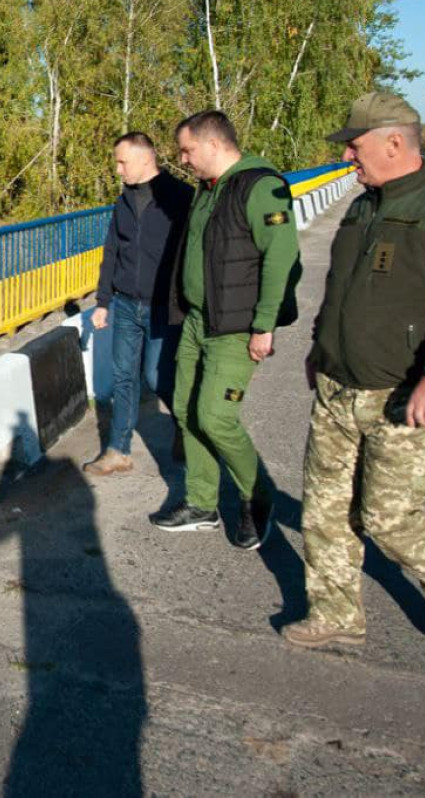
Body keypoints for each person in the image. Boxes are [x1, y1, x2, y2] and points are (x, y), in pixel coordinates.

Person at [284, 91, 425, 648]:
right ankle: (336, 615)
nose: (347, 157)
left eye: (355, 146)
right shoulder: (364, 207)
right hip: (336, 388)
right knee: (325, 511)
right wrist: (320, 348)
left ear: (394, 143)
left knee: (389, 516)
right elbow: (341, 291)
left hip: (400, 395)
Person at [150, 110, 301, 550]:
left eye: (187, 150)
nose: (183, 159)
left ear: (213, 145)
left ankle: (258, 497)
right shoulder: (209, 188)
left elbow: (281, 257)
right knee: (185, 409)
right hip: (198, 320)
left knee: (215, 417)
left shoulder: (259, 186)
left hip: (237, 327)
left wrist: (264, 325)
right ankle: (201, 503)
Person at [83, 132, 192, 477]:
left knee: (158, 378)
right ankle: (118, 450)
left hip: (164, 307)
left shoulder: (181, 197)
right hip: (127, 305)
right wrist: (103, 302)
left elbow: (193, 253)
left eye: (122, 162)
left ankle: (186, 428)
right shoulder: (124, 202)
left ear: (146, 159)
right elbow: (112, 251)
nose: (118, 169)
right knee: (123, 377)